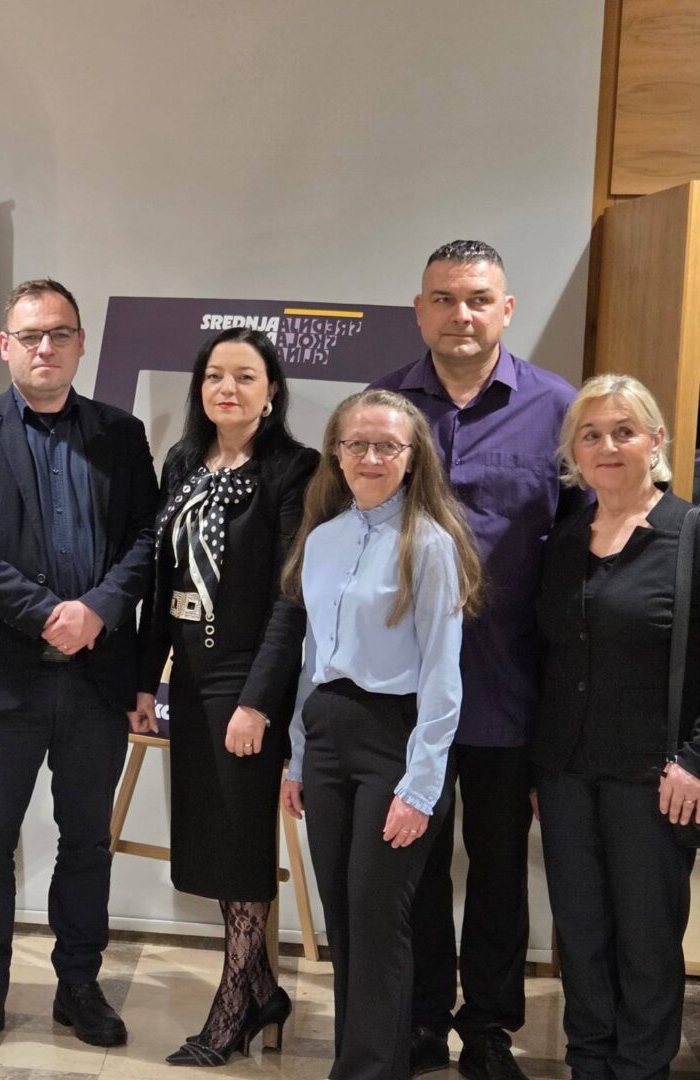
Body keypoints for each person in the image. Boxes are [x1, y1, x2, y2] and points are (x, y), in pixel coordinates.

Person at [0, 278, 159, 1055]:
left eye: (60, 334)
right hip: (0, 677)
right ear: (6, 346)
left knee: (86, 841)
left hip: (96, 676)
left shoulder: (121, 434)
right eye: (30, 336)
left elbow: (147, 539)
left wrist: (95, 611)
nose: (45, 348)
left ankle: (79, 988)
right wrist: (45, 613)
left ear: (80, 343)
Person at [369, 240, 575, 1079]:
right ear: (420, 310)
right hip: (402, 686)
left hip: (507, 683)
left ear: (507, 310)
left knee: (497, 868)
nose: (462, 315)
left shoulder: (559, 410)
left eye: (478, 299)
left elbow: (581, 555)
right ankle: (420, 1019)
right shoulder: (382, 408)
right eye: (445, 299)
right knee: (413, 862)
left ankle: (487, 1027)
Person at [280, 389, 483, 1080]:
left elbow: (443, 675)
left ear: (412, 456)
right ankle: (368, 1061)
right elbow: (313, 657)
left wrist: (421, 787)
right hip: (327, 735)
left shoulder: (429, 544)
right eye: (357, 444)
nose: (370, 457)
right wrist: (298, 757)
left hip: (395, 740)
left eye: (387, 445)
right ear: (336, 454)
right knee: (343, 918)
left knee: (376, 920)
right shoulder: (324, 539)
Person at [131, 328, 318, 1066]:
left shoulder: (295, 469)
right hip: (190, 674)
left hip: (248, 677)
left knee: (241, 840)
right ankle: (263, 988)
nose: (227, 389)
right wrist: (145, 677)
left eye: (245, 376)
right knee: (210, 838)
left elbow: (291, 596)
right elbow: (161, 579)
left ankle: (233, 1005)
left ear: (271, 391)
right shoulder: (183, 461)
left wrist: (258, 701)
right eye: (215, 375)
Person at [534, 375, 700, 1078]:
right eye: (592, 434)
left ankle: (640, 1068)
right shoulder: (566, 538)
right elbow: (546, 657)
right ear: (575, 450)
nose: (608, 446)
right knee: (580, 932)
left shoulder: (689, 534)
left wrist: (694, 760)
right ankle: (589, 1063)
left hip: (655, 779)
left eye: (624, 432)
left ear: (655, 440)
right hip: (566, 773)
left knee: (647, 940)